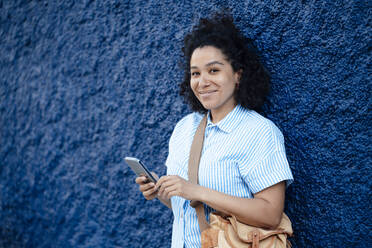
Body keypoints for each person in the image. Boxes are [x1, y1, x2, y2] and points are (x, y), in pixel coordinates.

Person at [135, 12, 294, 248]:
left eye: (214, 70)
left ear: (238, 75)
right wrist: (163, 192)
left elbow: (270, 214)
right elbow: (188, 206)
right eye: (195, 73)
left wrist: (197, 191)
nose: (202, 82)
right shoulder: (184, 128)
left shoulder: (258, 132)